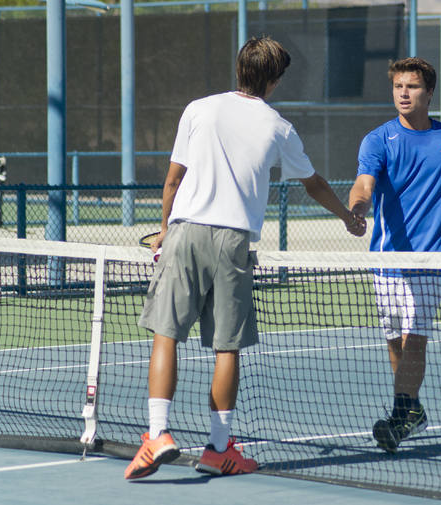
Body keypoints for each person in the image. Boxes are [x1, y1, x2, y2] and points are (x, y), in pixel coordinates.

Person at [124, 37, 366, 480]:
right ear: (273, 81)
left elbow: (173, 182)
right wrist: (348, 218)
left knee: (165, 334)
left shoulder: (198, 109)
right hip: (234, 243)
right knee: (226, 346)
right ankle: (218, 449)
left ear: (238, 69)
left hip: (185, 232)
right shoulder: (279, 127)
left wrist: (163, 232)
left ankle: (158, 434)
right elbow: (313, 185)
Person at [348, 57, 441, 453]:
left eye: (412, 87)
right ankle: (412, 409)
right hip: (385, 259)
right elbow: (364, 184)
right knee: (395, 340)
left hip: (432, 260)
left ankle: (399, 416)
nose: (403, 93)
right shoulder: (378, 139)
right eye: (398, 86)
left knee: (416, 338)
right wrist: (358, 209)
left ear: (429, 92)